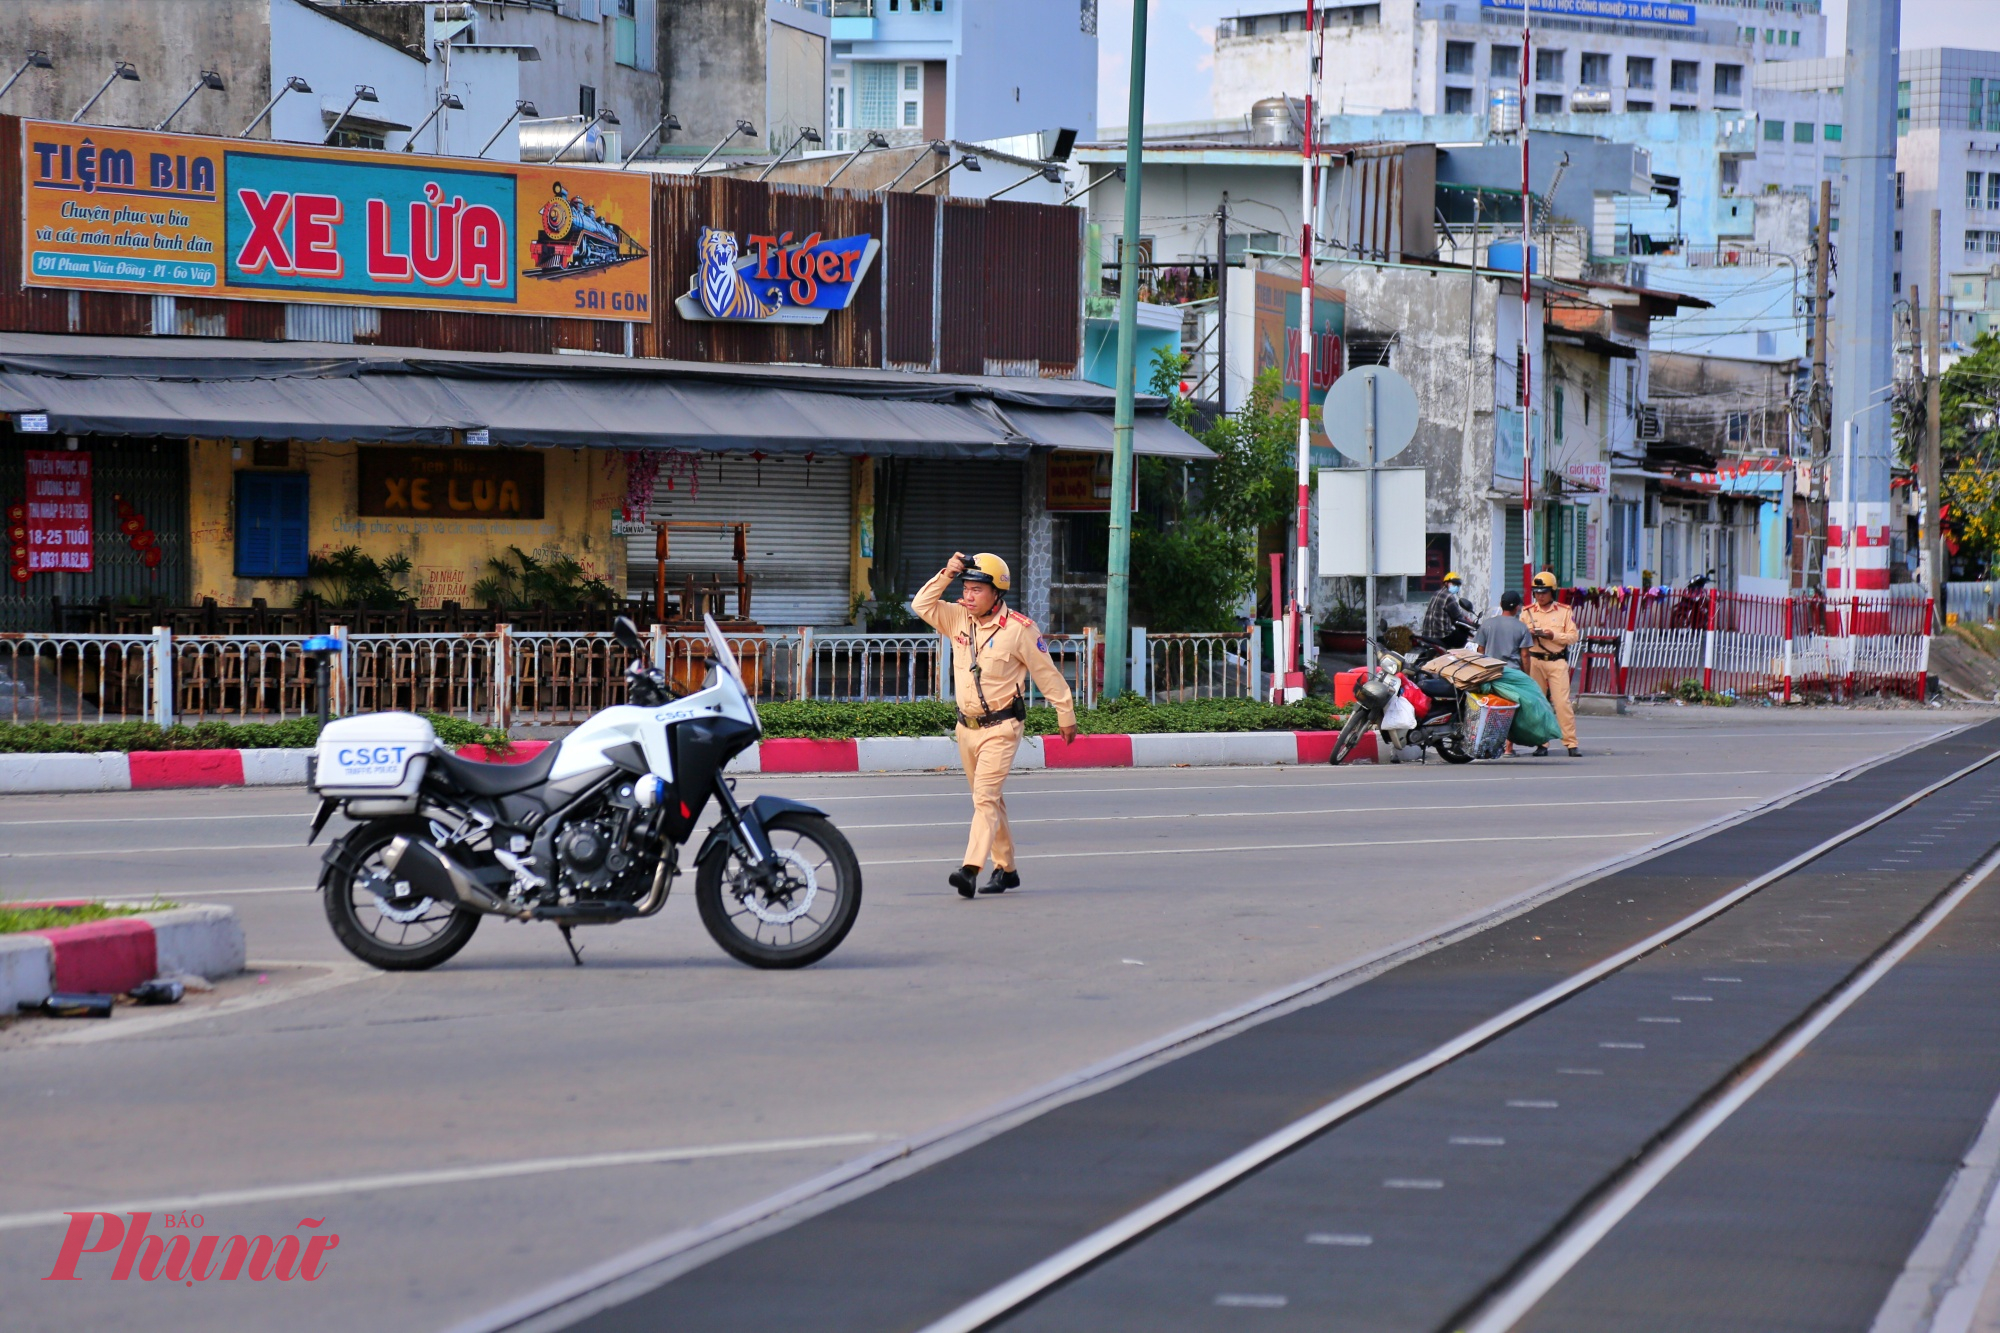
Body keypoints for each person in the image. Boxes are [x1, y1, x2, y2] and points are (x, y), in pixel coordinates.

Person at [913, 552, 1080, 899]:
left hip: (1002, 727)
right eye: (967, 588)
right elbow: (922, 604)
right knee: (988, 800)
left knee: (985, 798)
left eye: (977, 589)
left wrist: (1065, 713)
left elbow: (1046, 674)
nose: (968, 596)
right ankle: (1007, 870)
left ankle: (970, 869)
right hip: (966, 728)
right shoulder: (957, 617)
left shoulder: (1020, 629)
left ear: (996, 593)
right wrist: (948, 572)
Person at [1519, 570, 1581, 757]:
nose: (1540, 596)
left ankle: (1570, 743)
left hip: (1556, 660)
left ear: (1552, 592)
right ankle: (1541, 743)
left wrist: (1552, 635)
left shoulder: (1564, 611)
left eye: (1544, 592)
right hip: (1535, 660)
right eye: (1537, 592)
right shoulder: (1527, 612)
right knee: (1538, 703)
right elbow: (1520, 637)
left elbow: (1573, 637)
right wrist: (1529, 634)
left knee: (1562, 703)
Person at [1477, 590, 1533, 757]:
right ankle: (1508, 748)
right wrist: (1526, 676)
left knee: (1490, 709)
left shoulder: (1487, 624)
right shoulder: (1521, 627)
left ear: (1501, 605)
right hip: (1512, 675)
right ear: (1517, 608)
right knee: (1510, 711)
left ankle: (1486, 746)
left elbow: (1480, 650)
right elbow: (1525, 655)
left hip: (1491, 673)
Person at [1421, 570, 1479, 648]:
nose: (1456, 586)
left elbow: (1451, 613)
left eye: (1458, 585)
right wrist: (1474, 625)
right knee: (1462, 636)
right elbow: (1458, 617)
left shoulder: (1436, 593)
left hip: (1427, 634)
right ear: (1446, 583)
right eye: (1454, 583)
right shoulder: (1449, 597)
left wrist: (1463, 618)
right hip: (1441, 636)